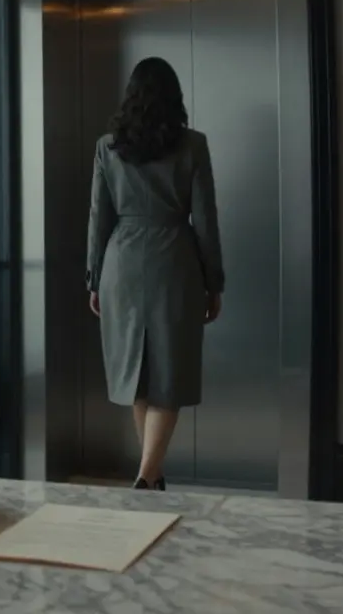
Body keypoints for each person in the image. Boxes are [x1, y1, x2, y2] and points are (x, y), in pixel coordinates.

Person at [85, 56, 225, 491]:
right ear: (175, 97)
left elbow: (98, 217)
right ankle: (147, 475)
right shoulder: (193, 145)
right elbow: (205, 219)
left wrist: (94, 277)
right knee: (168, 373)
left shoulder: (108, 147)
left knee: (137, 372)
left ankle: (152, 476)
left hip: (121, 263)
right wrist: (213, 281)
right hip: (173, 262)